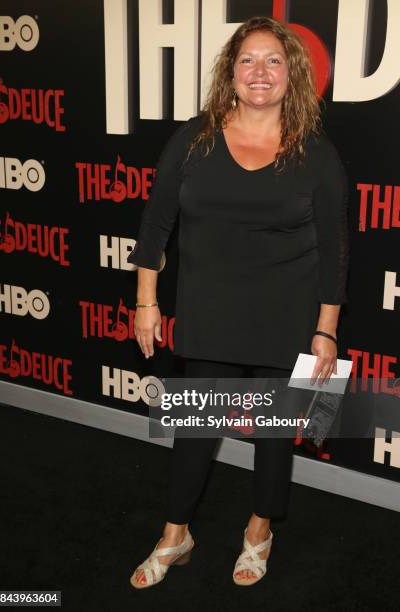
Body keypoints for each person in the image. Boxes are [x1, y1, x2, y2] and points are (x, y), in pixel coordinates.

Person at [127, 15, 349, 588]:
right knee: (194, 431)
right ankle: (176, 535)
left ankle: (258, 532)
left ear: (291, 76)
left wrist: (325, 333)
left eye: (274, 60)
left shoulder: (317, 155)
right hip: (210, 313)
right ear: (230, 73)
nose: (260, 71)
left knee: (276, 437)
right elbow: (156, 224)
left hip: (288, 317)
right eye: (248, 59)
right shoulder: (195, 139)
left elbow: (335, 252)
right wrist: (146, 302)